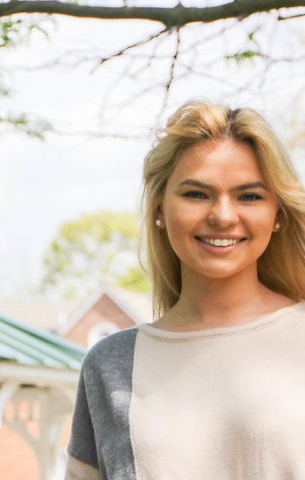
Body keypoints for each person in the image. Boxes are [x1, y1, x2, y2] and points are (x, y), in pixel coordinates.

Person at [65, 100, 305, 480]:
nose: (223, 216)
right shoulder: (110, 366)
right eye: (196, 194)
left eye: (249, 196)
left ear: (278, 213)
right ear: (159, 208)